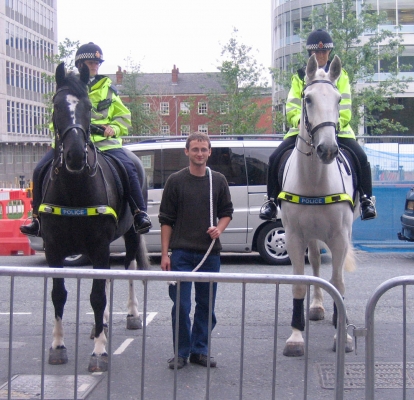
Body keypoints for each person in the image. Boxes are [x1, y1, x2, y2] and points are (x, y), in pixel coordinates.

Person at [20, 42, 151, 236]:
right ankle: (37, 219)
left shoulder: (108, 90)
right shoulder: (67, 88)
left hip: (105, 144)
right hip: (72, 145)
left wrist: (113, 129)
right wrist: (63, 139)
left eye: (97, 63)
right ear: (80, 64)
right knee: (40, 169)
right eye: (91, 62)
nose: (95, 66)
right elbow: (57, 119)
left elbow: (123, 117)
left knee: (130, 168)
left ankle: (139, 213)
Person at [260, 29, 377, 222]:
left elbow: (346, 107)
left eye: (324, 52)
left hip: (337, 130)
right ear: (310, 54)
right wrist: (299, 122)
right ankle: (271, 201)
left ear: (329, 52)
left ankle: (365, 200)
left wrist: (333, 126)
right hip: (303, 130)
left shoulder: (341, 76)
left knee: (361, 157)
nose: (321, 55)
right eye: (317, 52)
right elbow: (292, 106)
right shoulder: (299, 77)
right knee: (274, 158)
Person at [159, 132, 233, 370]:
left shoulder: (218, 180)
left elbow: (227, 212)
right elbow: (166, 220)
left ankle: (199, 350)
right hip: (181, 253)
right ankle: (180, 352)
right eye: (195, 149)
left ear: (210, 152)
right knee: (181, 305)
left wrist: (219, 229)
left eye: (204, 150)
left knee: (206, 305)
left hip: (209, 254)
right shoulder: (175, 181)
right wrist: (164, 254)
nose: (199, 153)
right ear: (187, 152)